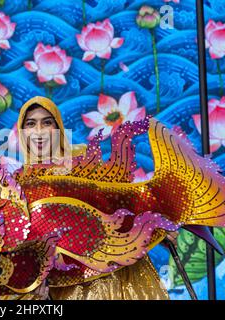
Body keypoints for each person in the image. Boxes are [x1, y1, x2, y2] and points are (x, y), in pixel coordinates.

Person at [17, 96, 170, 300]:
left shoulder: (82, 161)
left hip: (111, 274)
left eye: (47, 123)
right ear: (22, 132)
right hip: (66, 284)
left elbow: (118, 204)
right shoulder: (19, 184)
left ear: (58, 129)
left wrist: (156, 226)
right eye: (30, 124)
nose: (39, 131)